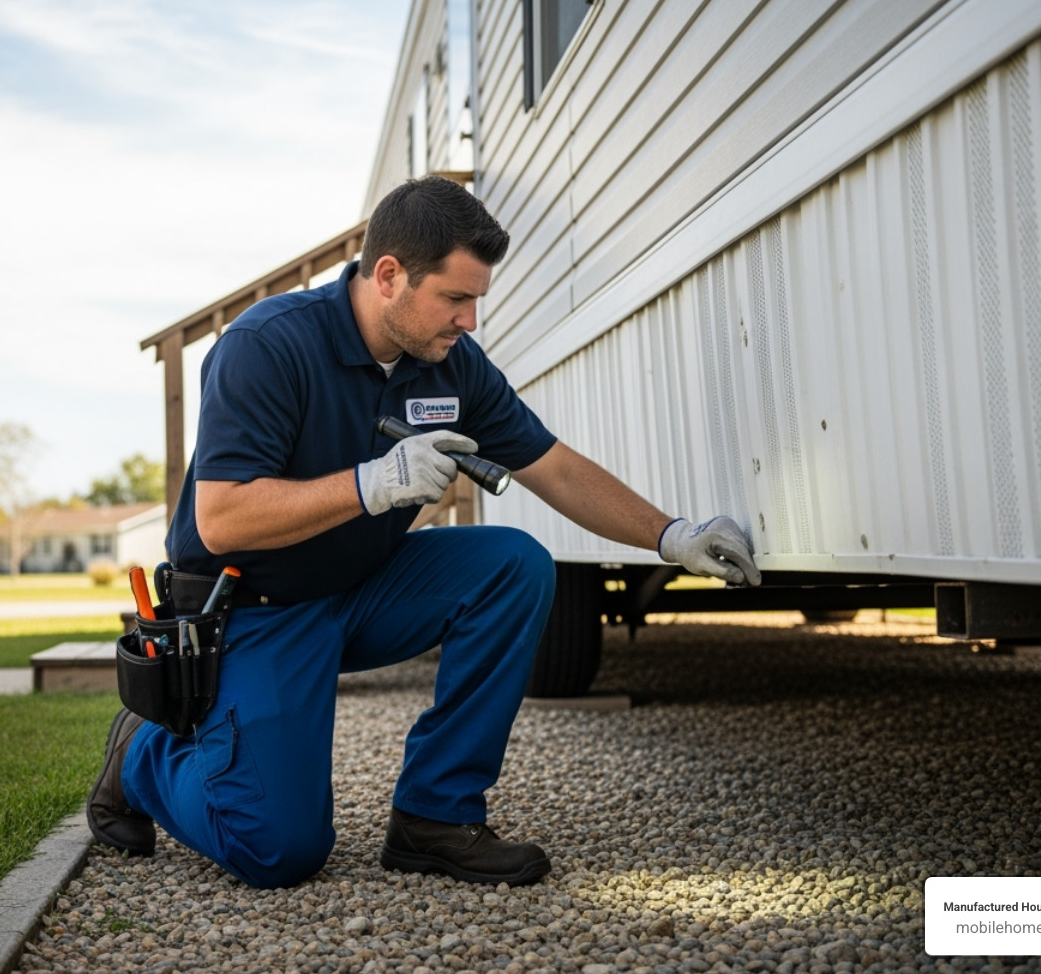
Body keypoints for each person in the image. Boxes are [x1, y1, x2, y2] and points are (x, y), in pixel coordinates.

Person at [88, 176, 762, 889]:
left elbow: (555, 469)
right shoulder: (268, 345)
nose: (470, 320)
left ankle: (434, 819)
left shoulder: (450, 364)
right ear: (389, 277)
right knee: (278, 850)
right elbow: (220, 519)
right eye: (455, 297)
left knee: (513, 566)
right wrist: (370, 482)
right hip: (255, 608)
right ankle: (143, 755)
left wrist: (672, 535)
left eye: (476, 299)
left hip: (362, 587)